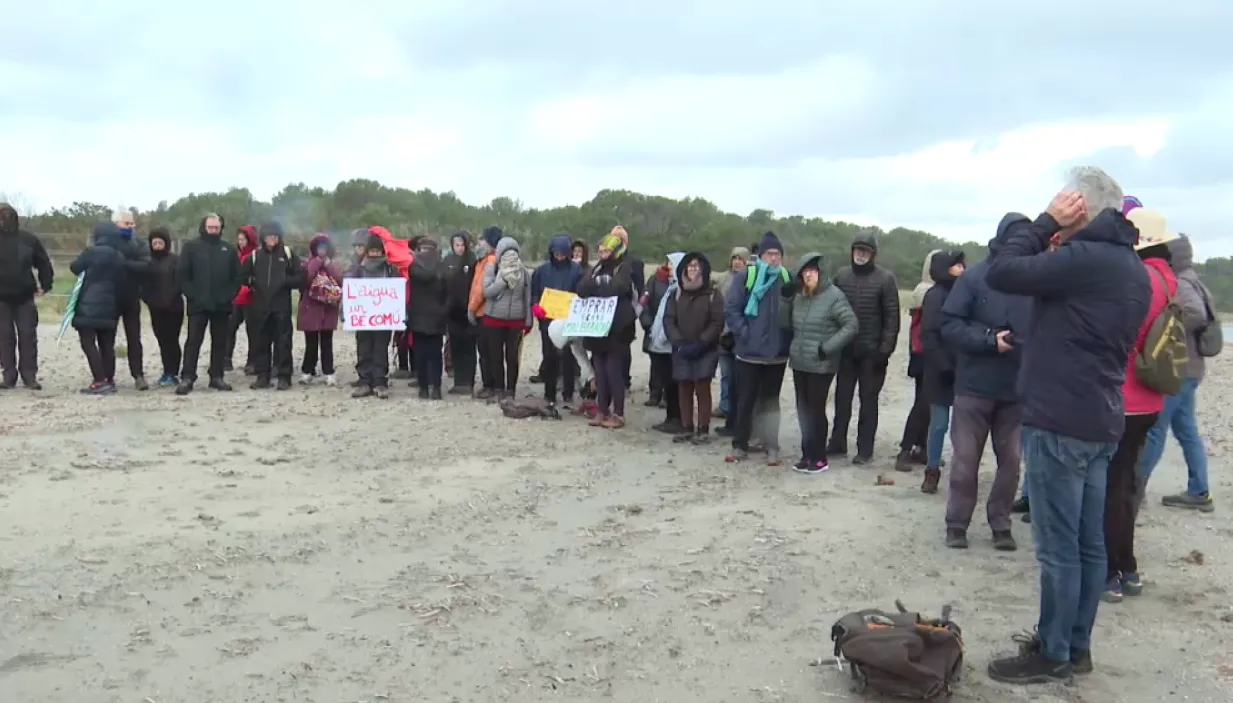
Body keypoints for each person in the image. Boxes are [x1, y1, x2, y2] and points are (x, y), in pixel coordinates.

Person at [983, 167, 1151, 685]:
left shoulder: (1086, 259)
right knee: (1087, 544)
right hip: (1100, 416)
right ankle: (1075, 646)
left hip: (1061, 419)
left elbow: (1003, 270)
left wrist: (1043, 223)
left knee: (1059, 547)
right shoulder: (1131, 267)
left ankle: (1053, 652)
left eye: (1064, 199)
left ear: (1080, 205)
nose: (1057, 204)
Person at [939, 215, 1033, 546]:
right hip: (974, 387)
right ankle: (957, 524)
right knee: (965, 461)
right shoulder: (975, 277)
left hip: (1016, 390)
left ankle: (1000, 523)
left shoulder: (1035, 281)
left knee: (1010, 463)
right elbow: (949, 324)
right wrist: (990, 339)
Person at [1102, 207, 1177, 604]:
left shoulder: (1142, 278)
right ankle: (1127, 567)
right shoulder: (1168, 277)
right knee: (1127, 481)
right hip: (1151, 396)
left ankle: (1111, 570)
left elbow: (1120, 332)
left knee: (1111, 486)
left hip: (1125, 394)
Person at [1137, 233, 1216, 513]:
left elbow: (1195, 314)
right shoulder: (1194, 278)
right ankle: (1199, 490)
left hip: (1179, 370)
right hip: (1192, 370)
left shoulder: (1181, 282)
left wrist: (1168, 322)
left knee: (1156, 430)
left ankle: (1136, 488)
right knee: (1186, 430)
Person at [829, 230, 900, 463]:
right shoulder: (841, 276)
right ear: (852, 252)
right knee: (842, 399)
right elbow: (832, 312)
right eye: (857, 250)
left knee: (868, 402)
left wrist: (885, 349)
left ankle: (865, 449)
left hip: (873, 353)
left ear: (873, 254)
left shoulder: (886, 279)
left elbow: (892, 317)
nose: (860, 255)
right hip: (846, 351)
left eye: (865, 251)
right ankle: (837, 442)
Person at [723, 232, 794, 466]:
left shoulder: (787, 278)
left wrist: (788, 338)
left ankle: (771, 445)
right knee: (746, 400)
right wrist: (744, 333)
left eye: (777, 254)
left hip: (777, 353)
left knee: (771, 402)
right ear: (761, 256)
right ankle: (739, 444)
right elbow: (732, 308)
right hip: (749, 353)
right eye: (769, 254)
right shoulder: (747, 275)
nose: (773, 258)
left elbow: (796, 311)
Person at [787, 252, 857, 473]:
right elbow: (789, 324)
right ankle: (806, 454)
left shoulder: (834, 296)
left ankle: (819, 458)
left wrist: (827, 348)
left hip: (821, 364)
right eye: (805, 272)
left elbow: (851, 325)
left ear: (820, 272)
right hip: (800, 362)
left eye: (813, 271)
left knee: (816, 410)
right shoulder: (800, 297)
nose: (809, 275)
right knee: (803, 410)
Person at [918, 250, 965, 507]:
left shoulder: (965, 291)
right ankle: (932, 470)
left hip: (963, 370)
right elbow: (929, 335)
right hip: (939, 371)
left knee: (963, 428)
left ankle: (961, 473)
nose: (961, 269)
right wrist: (945, 366)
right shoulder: (935, 296)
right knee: (938, 425)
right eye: (957, 265)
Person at [177, 213, 243, 395]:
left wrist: (230, 295)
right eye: (210, 227)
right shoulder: (191, 247)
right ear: (204, 227)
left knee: (220, 342)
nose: (213, 231)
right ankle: (187, 377)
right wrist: (192, 295)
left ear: (221, 228)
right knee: (193, 342)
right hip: (198, 305)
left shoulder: (228, 250)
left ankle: (216, 376)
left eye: (216, 228)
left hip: (221, 306)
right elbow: (182, 275)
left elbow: (238, 276)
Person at [663, 252, 726, 443]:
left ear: (703, 269)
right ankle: (686, 427)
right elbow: (669, 320)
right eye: (689, 266)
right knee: (684, 386)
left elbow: (717, 322)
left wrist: (702, 342)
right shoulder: (676, 293)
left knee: (702, 387)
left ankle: (703, 429)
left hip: (705, 348)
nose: (692, 269)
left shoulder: (713, 294)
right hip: (681, 347)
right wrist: (678, 342)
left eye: (696, 266)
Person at [578, 232, 637, 428]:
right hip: (597, 328)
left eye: (607, 250)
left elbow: (617, 288)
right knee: (600, 372)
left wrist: (598, 286)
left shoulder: (624, 267)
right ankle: (602, 411)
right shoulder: (596, 269)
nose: (603, 254)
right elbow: (582, 289)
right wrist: (598, 284)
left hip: (618, 328)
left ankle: (618, 413)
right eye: (601, 250)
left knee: (613, 371)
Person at [895, 250, 942, 471]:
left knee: (926, 403)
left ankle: (921, 449)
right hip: (925, 353)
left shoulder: (926, 289)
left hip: (922, 352)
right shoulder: (926, 291)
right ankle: (905, 450)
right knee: (923, 404)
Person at [69, 222, 128, 394]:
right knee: (107, 345)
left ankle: (99, 380)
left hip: (88, 303)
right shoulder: (119, 255)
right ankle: (109, 379)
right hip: (111, 305)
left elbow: (74, 267)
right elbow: (122, 279)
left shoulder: (91, 252)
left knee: (88, 343)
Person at [0, 202, 53, 390]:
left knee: (27, 336)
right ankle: (9, 376)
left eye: (8, 215)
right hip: (1, 298)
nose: (5, 220)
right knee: (4, 337)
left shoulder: (28, 239)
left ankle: (29, 375)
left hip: (24, 295)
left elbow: (43, 262)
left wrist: (45, 284)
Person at [243, 221, 300, 391]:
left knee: (283, 343)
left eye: (275, 236)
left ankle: (284, 377)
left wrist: (284, 282)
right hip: (260, 306)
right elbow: (243, 276)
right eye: (269, 236)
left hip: (281, 306)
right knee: (261, 343)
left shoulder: (288, 254)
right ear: (263, 238)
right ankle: (263, 376)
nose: (272, 239)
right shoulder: (255, 256)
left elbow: (300, 278)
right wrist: (252, 282)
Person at [531, 233, 584, 406]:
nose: (559, 256)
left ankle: (568, 392)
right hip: (547, 320)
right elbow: (534, 293)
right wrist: (535, 306)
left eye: (563, 253)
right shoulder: (541, 271)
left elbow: (582, 293)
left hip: (568, 319)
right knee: (549, 356)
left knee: (569, 356)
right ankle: (549, 392)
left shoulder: (576, 271)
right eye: (556, 253)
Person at [481, 236, 533, 399]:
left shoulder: (523, 272)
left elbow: (528, 297)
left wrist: (529, 320)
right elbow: (487, 292)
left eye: (513, 252)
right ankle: (498, 389)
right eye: (506, 252)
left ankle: (511, 390)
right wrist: (502, 280)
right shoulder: (492, 269)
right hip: (493, 318)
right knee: (495, 356)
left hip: (516, 320)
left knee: (512, 357)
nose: (510, 255)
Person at [350, 236, 400, 398]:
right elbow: (349, 291)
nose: (374, 254)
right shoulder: (358, 269)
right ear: (367, 251)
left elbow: (397, 293)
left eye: (377, 251)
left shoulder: (390, 269)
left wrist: (400, 314)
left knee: (380, 350)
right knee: (363, 350)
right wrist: (346, 312)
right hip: (363, 317)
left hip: (383, 318)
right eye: (372, 250)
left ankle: (379, 382)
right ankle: (364, 381)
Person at [109, 206, 152, 390]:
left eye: (132, 223)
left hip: (132, 296)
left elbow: (146, 264)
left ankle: (138, 375)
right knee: (107, 339)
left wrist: (124, 264)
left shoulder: (139, 244)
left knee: (134, 338)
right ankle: (107, 376)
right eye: (127, 223)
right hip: (110, 297)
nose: (130, 226)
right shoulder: (107, 242)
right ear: (116, 224)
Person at [643, 252, 686, 432]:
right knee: (667, 379)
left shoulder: (681, 289)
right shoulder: (664, 284)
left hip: (673, 343)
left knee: (674, 382)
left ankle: (677, 418)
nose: (669, 266)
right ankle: (671, 416)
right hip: (659, 339)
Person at [296, 233, 343, 386]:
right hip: (311, 308)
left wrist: (328, 264)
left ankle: (329, 372)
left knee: (326, 342)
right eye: (319, 248)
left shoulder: (333, 265)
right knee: (310, 343)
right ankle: (307, 371)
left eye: (324, 247)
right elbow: (306, 280)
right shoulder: (307, 264)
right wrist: (316, 263)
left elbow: (341, 280)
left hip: (327, 309)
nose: (322, 250)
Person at [141, 227, 184, 388]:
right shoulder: (147, 261)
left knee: (172, 340)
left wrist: (170, 299)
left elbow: (179, 282)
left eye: (160, 242)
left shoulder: (175, 260)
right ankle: (166, 371)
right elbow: (143, 286)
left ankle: (173, 373)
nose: (157, 245)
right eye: (155, 242)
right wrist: (151, 301)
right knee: (162, 340)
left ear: (166, 243)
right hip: (155, 308)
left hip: (174, 307)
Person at [408, 237, 449, 399]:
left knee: (426, 355)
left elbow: (448, 292)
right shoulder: (440, 268)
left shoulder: (415, 266)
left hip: (425, 317)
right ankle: (430, 387)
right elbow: (447, 292)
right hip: (427, 317)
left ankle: (428, 387)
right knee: (430, 355)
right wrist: (443, 310)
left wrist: (443, 310)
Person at [715, 247, 750, 435]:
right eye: (734, 258)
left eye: (741, 259)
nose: (737, 261)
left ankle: (739, 420)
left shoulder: (750, 279)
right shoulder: (721, 279)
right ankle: (725, 409)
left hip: (741, 336)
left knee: (740, 380)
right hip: (723, 335)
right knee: (726, 375)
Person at [468, 226, 502, 399]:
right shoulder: (482, 260)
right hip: (484, 311)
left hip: (486, 312)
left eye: (482, 239)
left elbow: (481, 289)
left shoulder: (490, 261)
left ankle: (491, 385)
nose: (478, 243)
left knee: (488, 352)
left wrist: (471, 309)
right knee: (487, 351)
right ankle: (492, 385)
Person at [443, 230, 478, 395]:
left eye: (462, 245)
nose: (459, 248)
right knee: (455, 346)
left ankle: (468, 381)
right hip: (452, 310)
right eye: (456, 245)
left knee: (469, 347)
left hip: (468, 310)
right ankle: (458, 381)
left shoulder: (472, 260)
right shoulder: (448, 260)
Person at [613, 226, 644, 390]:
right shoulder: (607, 261)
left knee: (624, 346)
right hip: (609, 311)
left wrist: (636, 311)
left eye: (620, 239)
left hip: (627, 310)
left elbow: (640, 288)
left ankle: (625, 380)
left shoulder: (634, 262)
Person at [227, 225, 259, 374]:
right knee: (229, 328)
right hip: (236, 298)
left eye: (243, 239)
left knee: (253, 332)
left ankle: (252, 361)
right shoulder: (236, 255)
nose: (240, 242)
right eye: (239, 239)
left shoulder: (256, 255)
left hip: (251, 299)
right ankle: (226, 359)